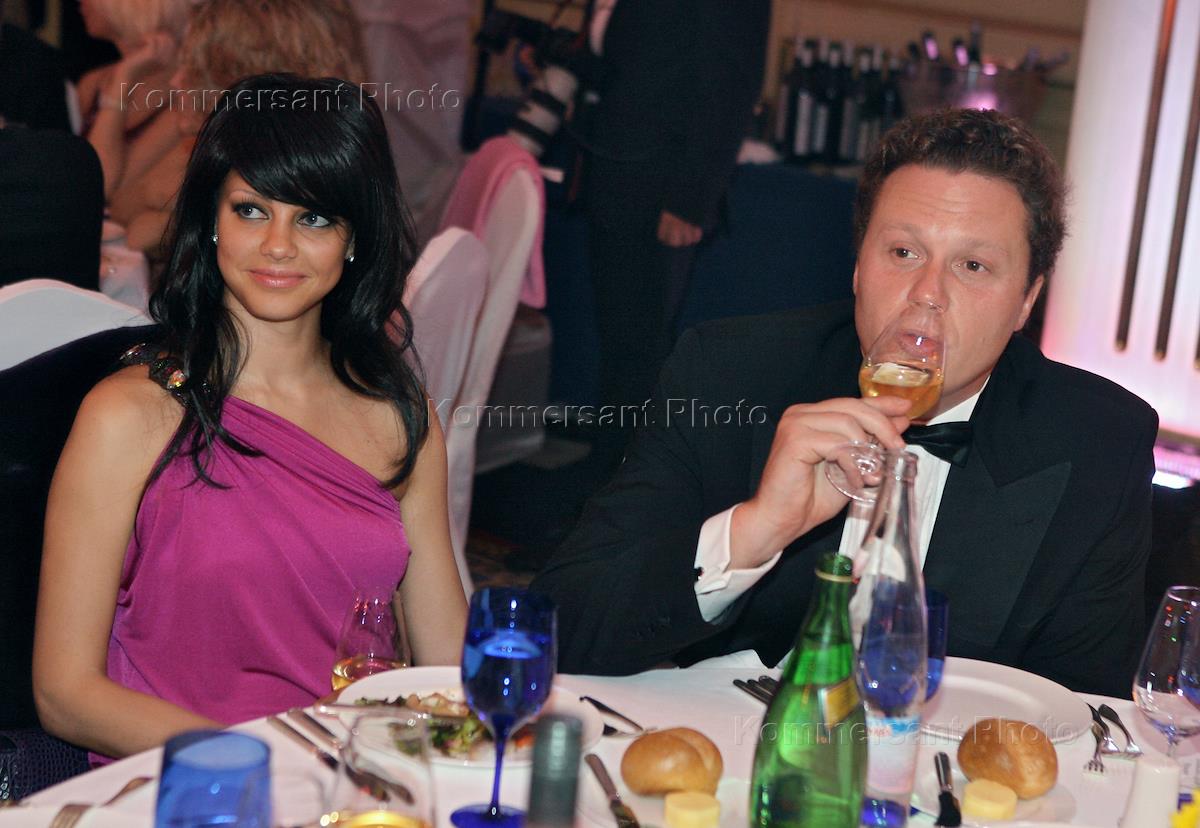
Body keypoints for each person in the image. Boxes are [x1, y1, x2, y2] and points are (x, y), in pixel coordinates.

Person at [532, 107, 1158, 698]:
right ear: (858, 266)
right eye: (904, 253)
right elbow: (560, 626)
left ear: (1026, 300)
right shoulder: (728, 374)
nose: (928, 293)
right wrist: (753, 531)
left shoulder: (1100, 443)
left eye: (972, 265)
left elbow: (1085, 715)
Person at [32, 73, 468, 760]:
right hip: (182, 779)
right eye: (251, 210)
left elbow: (446, 669)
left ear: (354, 236)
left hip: (347, 774)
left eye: (313, 218)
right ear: (212, 219)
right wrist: (267, 759)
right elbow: (64, 692)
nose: (278, 246)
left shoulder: (397, 416)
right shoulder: (129, 416)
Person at [585, 0, 771, 443]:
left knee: (643, 340)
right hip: (615, 171)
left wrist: (691, 199)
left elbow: (730, 86)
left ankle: (631, 471)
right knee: (618, 335)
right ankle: (608, 460)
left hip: (666, 185)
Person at [110, 0, 366, 259]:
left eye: (192, 67)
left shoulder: (308, 169)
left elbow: (140, 232)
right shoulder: (206, 143)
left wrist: (175, 210)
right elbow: (122, 208)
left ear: (235, 77)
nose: (176, 81)